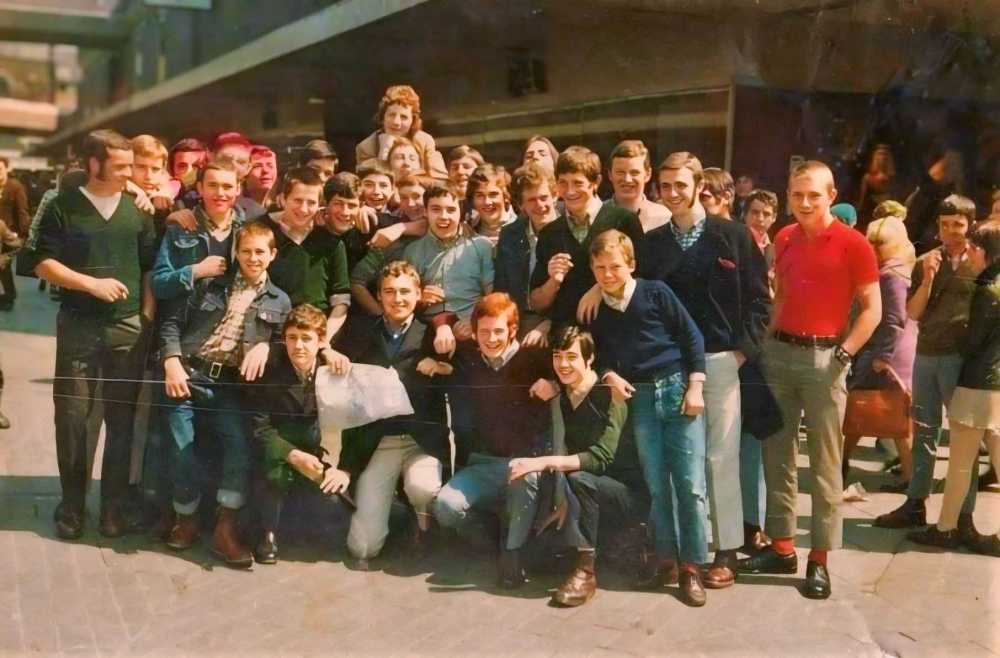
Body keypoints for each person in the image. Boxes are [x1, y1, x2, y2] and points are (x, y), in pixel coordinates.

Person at [737, 160, 881, 601]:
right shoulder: (783, 237)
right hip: (779, 354)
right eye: (797, 195)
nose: (804, 203)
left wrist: (844, 353)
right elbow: (780, 297)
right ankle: (782, 547)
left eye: (814, 195)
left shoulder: (855, 244)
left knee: (824, 463)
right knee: (776, 456)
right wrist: (764, 345)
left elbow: (873, 309)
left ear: (831, 196)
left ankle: (819, 558)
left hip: (826, 359)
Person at [636, 151, 771, 590]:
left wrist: (741, 354)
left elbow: (760, 301)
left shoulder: (733, 236)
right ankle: (683, 550)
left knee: (720, 457)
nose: (673, 193)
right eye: (666, 186)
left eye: (681, 185)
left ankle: (726, 549)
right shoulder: (653, 243)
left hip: (720, 361)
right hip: (671, 365)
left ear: (699, 186)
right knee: (680, 461)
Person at [27, 129, 158, 540]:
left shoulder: (138, 210)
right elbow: (41, 263)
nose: (129, 173)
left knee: (121, 421)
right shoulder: (63, 206)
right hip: (79, 327)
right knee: (72, 418)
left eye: (131, 166)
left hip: (128, 328)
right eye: (120, 166)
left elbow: (149, 267)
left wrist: (146, 316)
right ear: (94, 164)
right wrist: (90, 284)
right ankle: (72, 505)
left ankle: (112, 508)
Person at [586, 230, 709, 607]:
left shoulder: (656, 293)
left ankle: (692, 566)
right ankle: (666, 559)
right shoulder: (599, 310)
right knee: (657, 484)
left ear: (632, 265)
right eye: (600, 268)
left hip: (675, 390)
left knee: (689, 484)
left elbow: (692, 338)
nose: (608, 275)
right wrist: (609, 375)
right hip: (639, 398)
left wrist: (695, 386)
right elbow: (600, 356)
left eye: (615, 267)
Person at [157, 221, 291, 568]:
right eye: (245, 251)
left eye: (260, 252)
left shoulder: (279, 301)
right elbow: (171, 322)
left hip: (230, 387)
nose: (253, 258)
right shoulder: (211, 282)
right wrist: (171, 361)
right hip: (188, 375)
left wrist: (267, 346)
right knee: (182, 451)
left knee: (239, 449)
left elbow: (286, 345)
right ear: (236, 252)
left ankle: (224, 528)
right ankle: (186, 519)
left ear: (273, 255)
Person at [507, 325, 638, 607]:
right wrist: (564, 500)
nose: (563, 364)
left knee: (580, 477)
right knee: (537, 557)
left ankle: (586, 571)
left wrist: (540, 463)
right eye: (558, 356)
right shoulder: (563, 395)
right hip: (580, 492)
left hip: (623, 494)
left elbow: (601, 458)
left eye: (571, 357)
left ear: (589, 359)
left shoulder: (610, 393)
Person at [875, 194, 982, 537]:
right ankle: (916, 503)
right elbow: (913, 313)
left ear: (970, 226)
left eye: (958, 225)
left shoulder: (981, 262)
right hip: (927, 355)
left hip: (961, 359)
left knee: (964, 438)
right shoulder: (925, 262)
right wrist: (928, 280)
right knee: (924, 431)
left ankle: (963, 515)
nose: (951, 232)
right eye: (945, 225)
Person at [432, 292, 555, 588]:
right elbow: (431, 319)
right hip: (483, 465)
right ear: (474, 332)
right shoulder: (468, 358)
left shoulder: (535, 358)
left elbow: (573, 370)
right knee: (445, 507)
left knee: (524, 481)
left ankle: (513, 553)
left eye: (499, 331)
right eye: (484, 331)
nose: (491, 338)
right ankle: (496, 541)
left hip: (524, 464)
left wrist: (555, 385)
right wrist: (442, 325)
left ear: (513, 330)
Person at [335, 261, 451, 567]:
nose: (397, 299)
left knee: (422, 487)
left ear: (418, 294)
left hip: (419, 441)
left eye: (404, 291)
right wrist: (347, 465)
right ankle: (389, 506)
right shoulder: (361, 332)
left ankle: (423, 525)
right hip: (379, 441)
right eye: (389, 292)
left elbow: (461, 375)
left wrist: (442, 367)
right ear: (379, 296)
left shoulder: (432, 333)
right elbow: (349, 396)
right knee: (363, 548)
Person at [908, 223, 1000, 556]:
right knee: (974, 459)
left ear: (988, 253)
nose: (969, 252)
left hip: (977, 384)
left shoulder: (986, 290)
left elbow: (973, 341)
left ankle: (946, 528)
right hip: (991, 385)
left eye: (974, 248)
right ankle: (947, 526)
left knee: (961, 463)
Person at [249, 304, 352, 565]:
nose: (299, 346)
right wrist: (293, 455)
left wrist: (343, 469)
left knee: (336, 508)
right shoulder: (270, 369)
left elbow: (353, 425)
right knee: (275, 478)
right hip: (278, 453)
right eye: (292, 338)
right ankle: (268, 533)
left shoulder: (332, 371)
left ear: (321, 342)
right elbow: (260, 428)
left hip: (316, 454)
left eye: (307, 338)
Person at [842, 204, 918, 489]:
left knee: (864, 409)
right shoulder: (899, 269)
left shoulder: (890, 275)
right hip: (893, 351)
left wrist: (883, 356)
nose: (874, 248)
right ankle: (909, 476)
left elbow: (894, 319)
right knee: (891, 416)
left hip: (885, 353)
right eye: (871, 242)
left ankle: (841, 464)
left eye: (880, 243)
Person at [530, 146, 643, 327]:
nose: (569, 191)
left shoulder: (623, 221)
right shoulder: (549, 233)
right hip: (568, 335)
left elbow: (642, 277)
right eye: (563, 182)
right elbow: (537, 303)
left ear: (596, 182)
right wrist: (553, 281)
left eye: (578, 183)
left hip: (617, 327)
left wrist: (600, 288)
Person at [262, 166, 351, 342]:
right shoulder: (263, 234)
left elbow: (341, 301)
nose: (303, 209)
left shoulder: (331, 243)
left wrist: (323, 338)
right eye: (297, 200)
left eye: (311, 203)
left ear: (320, 205)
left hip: (316, 335)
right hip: (271, 333)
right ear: (283, 199)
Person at [152, 159, 243, 301]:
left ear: (238, 189)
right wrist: (195, 271)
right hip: (185, 314)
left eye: (227, 187)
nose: (220, 193)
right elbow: (159, 286)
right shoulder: (180, 228)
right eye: (212, 185)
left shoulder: (247, 229)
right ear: (200, 188)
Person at [494, 162, 557, 344]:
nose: (540, 205)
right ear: (521, 205)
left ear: (555, 195)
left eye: (544, 197)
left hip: (558, 319)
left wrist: (549, 324)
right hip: (520, 318)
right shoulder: (509, 234)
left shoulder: (569, 229)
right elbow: (502, 289)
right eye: (531, 200)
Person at [356, 85, 447, 181]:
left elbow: (440, 181)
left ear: (413, 120)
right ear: (383, 117)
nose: (396, 122)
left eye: (404, 117)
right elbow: (367, 183)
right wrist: (383, 156)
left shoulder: (424, 141)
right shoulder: (366, 147)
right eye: (391, 115)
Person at [605, 140, 670, 233]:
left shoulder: (663, 218)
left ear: (647, 174)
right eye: (620, 172)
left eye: (634, 173)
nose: (627, 179)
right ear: (610, 174)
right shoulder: (595, 216)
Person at [211, 132, 268, 221]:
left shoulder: (257, 213)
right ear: (212, 159)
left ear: (248, 168)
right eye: (226, 159)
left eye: (241, 162)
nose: (234, 166)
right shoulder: (191, 204)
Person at [0, 155, 30, 310]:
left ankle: (9, 296)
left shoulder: (15, 187)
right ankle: (9, 296)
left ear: (7, 169)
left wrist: (23, 233)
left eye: (0, 169)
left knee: (3, 265)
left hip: (9, 235)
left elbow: (22, 211)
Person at [465, 164, 516, 245]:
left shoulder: (523, 229)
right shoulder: (465, 232)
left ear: (506, 197)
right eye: (480, 195)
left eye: (493, 195)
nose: (487, 202)